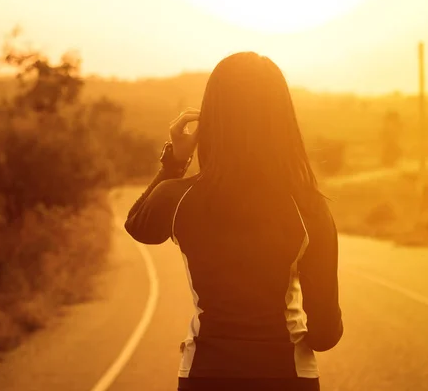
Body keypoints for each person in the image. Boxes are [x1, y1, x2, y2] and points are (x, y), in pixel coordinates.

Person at [125, 52, 343, 391]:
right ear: (282, 121)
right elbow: (326, 334)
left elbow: (138, 225)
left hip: (204, 375)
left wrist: (175, 162)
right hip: (288, 377)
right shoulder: (309, 207)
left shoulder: (179, 196)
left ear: (211, 118)